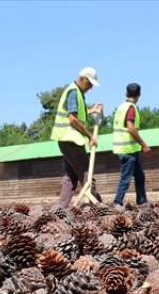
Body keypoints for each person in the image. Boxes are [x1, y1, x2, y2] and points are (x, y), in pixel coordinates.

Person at [51, 67, 103, 208]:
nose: (91, 87)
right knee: (87, 175)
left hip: (66, 140)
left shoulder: (76, 92)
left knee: (70, 177)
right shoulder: (74, 92)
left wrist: (91, 110)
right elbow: (72, 119)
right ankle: (96, 207)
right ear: (83, 79)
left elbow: (76, 113)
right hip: (71, 139)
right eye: (90, 84)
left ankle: (60, 209)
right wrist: (90, 136)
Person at [112, 83, 151, 208]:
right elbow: (131, 127)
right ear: (139, 95)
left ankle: (142, 201)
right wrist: (143, 144)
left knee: (140, 176)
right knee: (126, 178)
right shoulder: (131, 108)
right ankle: (117, 202)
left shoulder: (121, 107)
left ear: (126, 93)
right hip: (127, 149)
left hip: (126, 149)